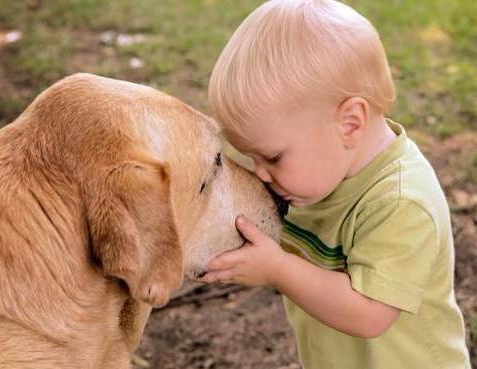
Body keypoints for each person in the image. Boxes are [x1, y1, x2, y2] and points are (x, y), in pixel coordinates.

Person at [197, 1, 471, 368]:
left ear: (350, 123)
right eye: (252, 159)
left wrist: (278, 269)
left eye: (273, 157)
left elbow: (369, 314)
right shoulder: (314, 178)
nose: (261, 174)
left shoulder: (401, 202)